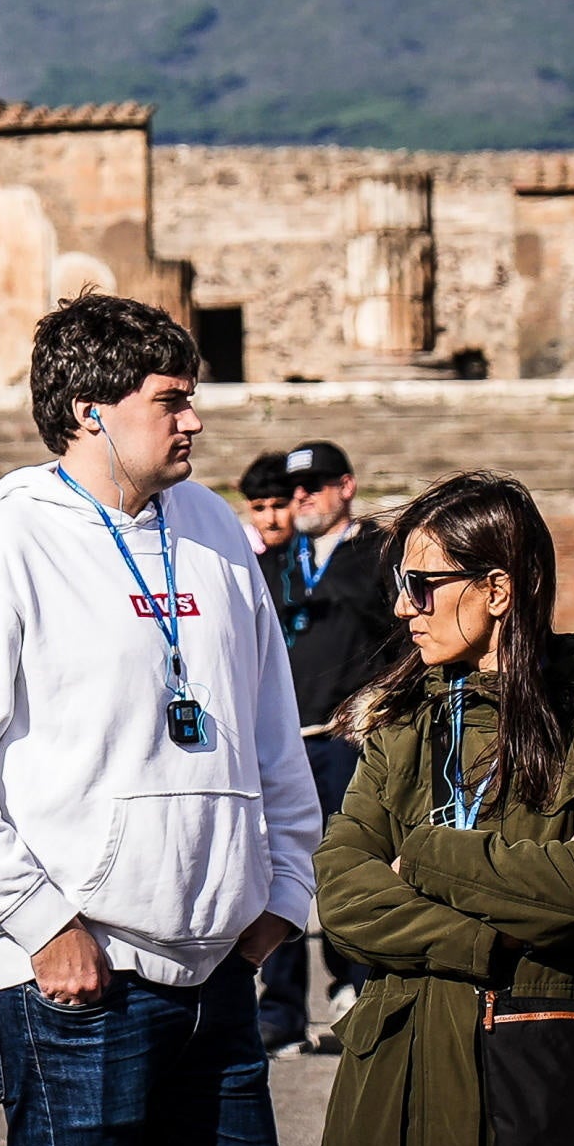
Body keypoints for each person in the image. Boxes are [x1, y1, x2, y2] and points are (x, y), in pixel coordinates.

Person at [0, 293, 318, 1146]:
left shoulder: (215, 533)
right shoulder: (1, 550)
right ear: (91, 410)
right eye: (171, 400)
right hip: (72, 984)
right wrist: (45, 928)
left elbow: (273, 733)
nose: (195, 418)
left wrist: (283, 894)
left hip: (215, 974)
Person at [310, 471, 574, 1146]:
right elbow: (343, 899)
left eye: (420, 586)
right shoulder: (397, 726)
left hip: (562, 1123)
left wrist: (417, 857)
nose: (400, 608)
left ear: (496, 589)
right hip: (400, 1126)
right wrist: (494, 934)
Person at [237, 440, 401, 1055]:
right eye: (294, 489)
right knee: (274, 870)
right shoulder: (279, 560)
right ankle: (279, 1008)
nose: (301, 497)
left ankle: (359, 988)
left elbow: (404, 643)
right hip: (284, 741)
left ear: (346, 487)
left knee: (352, 869)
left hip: (348, 740)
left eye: (316, 486)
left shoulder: (378, 555)